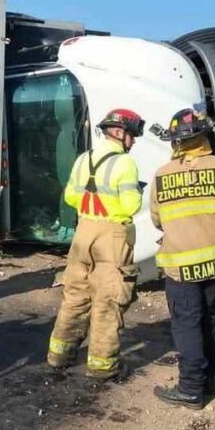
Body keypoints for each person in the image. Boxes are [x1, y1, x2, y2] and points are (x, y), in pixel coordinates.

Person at [150, 106, 215, 409]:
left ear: (177, 142)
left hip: (179, 265)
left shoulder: (163, 175)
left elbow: (157, 219)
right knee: (208, 319)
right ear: (206, 136)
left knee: (187, 325)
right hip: (214, 261)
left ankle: (190, 389)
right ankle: (207, 380)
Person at [47, 109, 145, 380]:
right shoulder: (125, 164)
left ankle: (59, 355)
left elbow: (70, 197)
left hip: (83, 233)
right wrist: (132, 192)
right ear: (120, 133)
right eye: (132, 136)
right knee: (108, 300)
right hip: (111, 236)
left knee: (75, 296)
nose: (133, 141)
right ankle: (103, 366)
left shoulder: (83, 159)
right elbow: (131, 204)